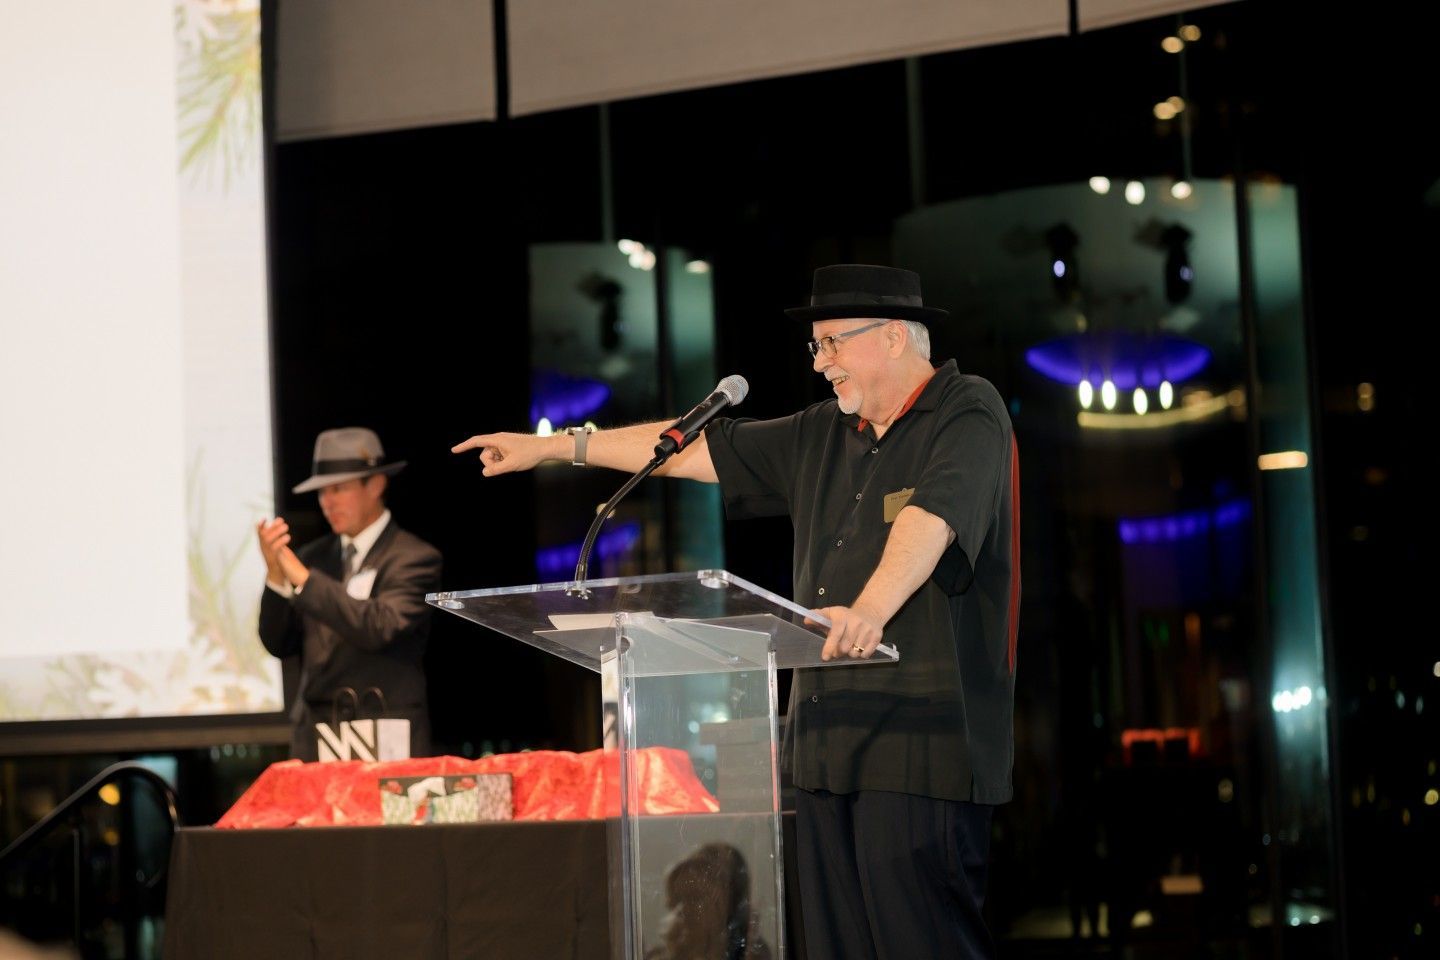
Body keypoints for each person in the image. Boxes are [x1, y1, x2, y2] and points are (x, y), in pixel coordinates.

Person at [453, 264, 1020, 958]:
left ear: (895, 336)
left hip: (919, 745)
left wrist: (869, 608)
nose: (822, 364)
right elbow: (684, 450)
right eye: (817, 348)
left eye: (833, 343)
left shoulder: (966, 408)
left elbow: (932, 517)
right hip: (820, 748)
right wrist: (552, 446)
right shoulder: (820, 434)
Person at [258, 427, 442, 761]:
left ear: (376, 485)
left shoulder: (413, 557)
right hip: (317, 736)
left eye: (338, 489)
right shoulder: (314, 557)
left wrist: (301, 577)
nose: (328, 502)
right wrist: (275, 574)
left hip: (386, 731)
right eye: (321, 492)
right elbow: (277, 643)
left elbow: (379, 626)